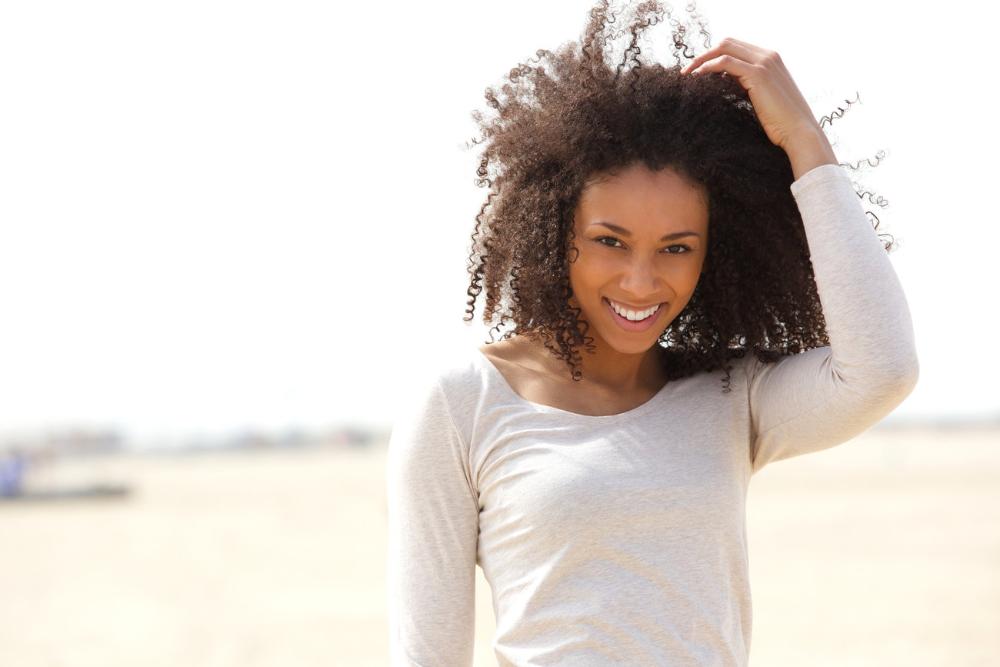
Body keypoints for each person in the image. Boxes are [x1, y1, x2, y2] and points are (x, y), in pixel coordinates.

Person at [385, 1, 919, 665]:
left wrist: (806, 144)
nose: (641, 282)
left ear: (712, 254)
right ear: (557, 233)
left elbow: (883, 368)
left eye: (676, 247)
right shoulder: (462, 405)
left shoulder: (728, 395)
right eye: (610, 240)